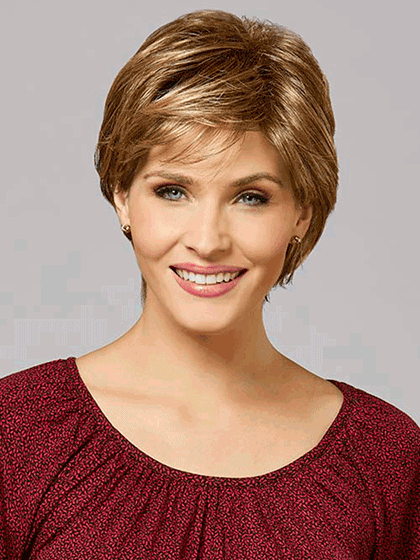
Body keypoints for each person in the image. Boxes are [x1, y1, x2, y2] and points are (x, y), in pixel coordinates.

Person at [1, 9, 418, 559]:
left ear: (302, 212)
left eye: (251, 197)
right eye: (173, 190)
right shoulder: (18, 435)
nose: (207, 240)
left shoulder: (385, 460)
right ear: (122, 197)